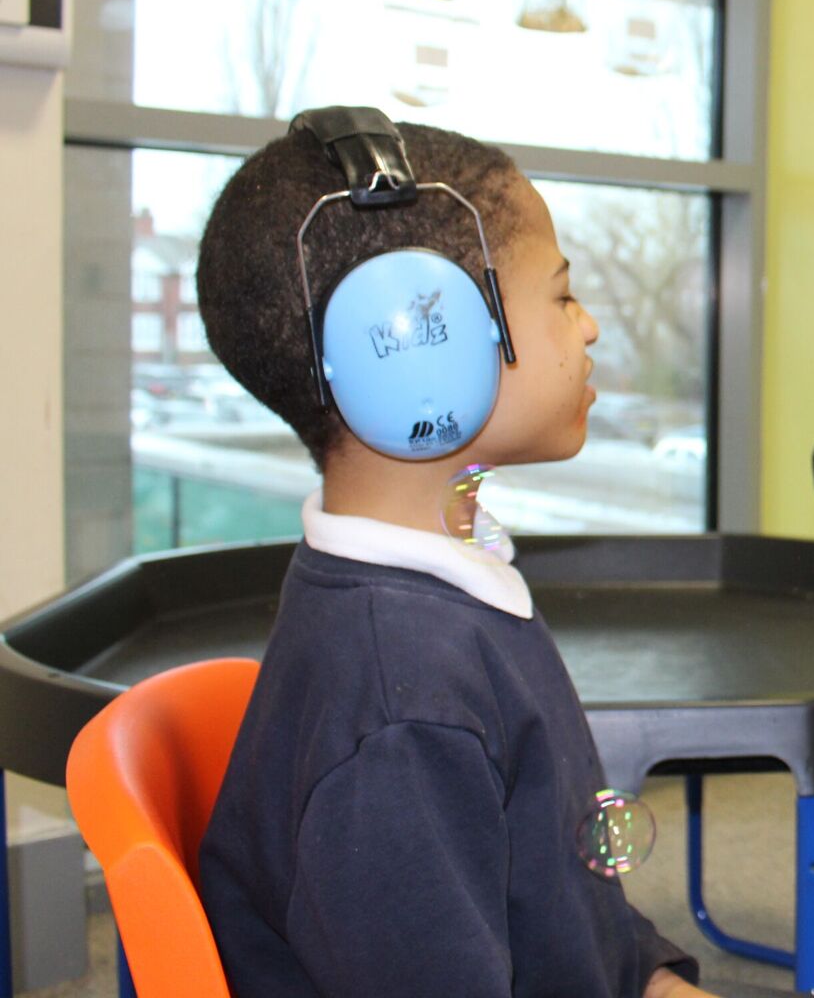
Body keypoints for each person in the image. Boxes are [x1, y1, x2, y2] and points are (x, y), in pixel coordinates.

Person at [193, 115, 714, 998]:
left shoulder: (434, 600)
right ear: (416, 344)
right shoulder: (400, 712)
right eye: (561, 296)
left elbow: (554, 899)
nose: (589, 326)